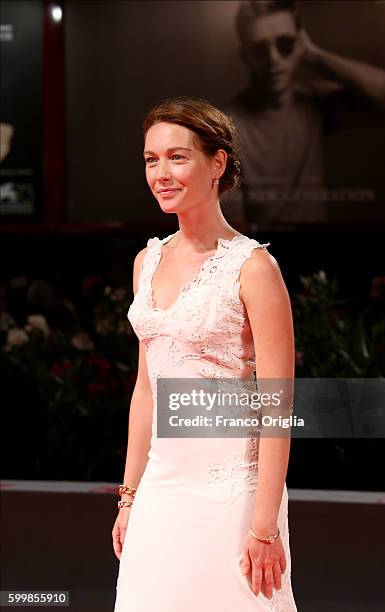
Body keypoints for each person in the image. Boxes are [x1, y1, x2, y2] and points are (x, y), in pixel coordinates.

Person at [112, 96, 297, 611]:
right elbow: (147, 387)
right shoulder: (146, 261)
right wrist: (130, 497)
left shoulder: (254, 268)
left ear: (217, 163)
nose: (161, 173)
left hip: (234, 495)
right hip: (161, 491)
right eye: (151, 159)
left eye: (178, 157)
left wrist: (264, 525)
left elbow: (277, 405)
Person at [223, 0, 385, 228]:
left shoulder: (312, 102)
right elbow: (232, 229)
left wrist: (313, 55)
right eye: (260, 49)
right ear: (245, 56)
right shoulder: (226, 128)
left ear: (300, 45)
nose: (274, 59)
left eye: (286, 44)